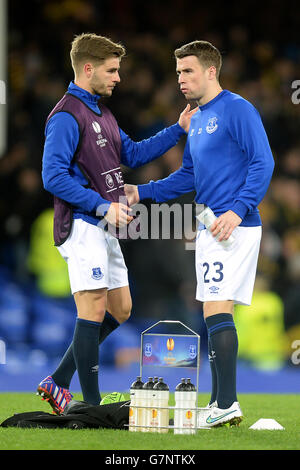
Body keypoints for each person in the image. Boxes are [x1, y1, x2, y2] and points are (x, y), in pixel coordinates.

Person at [37, 33, 196, 414]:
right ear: (87, 69)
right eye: (112, 70)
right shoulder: (65, 116)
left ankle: (58, 379)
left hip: (104, 225)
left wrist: (178, 129)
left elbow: (135, 153)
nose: (118, 78)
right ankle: (90, 405)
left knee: (121, 308)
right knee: (91, 309)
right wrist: (100, 206)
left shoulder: (102, 114)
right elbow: (52, 176)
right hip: (81, 224)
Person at [125, 40, 275, 427]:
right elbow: (188, 176)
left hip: (231, 226)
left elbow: (263, 161)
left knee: (216, 309)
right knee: (213, 312)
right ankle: (221, 403)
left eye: (187, 71)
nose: (180, 79)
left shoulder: (237, 109)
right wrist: (143, 192)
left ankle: (226, 403)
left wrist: (238, 211)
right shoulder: (197, 117)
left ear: (211, 71)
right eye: (177, 73)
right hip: (210, 226)